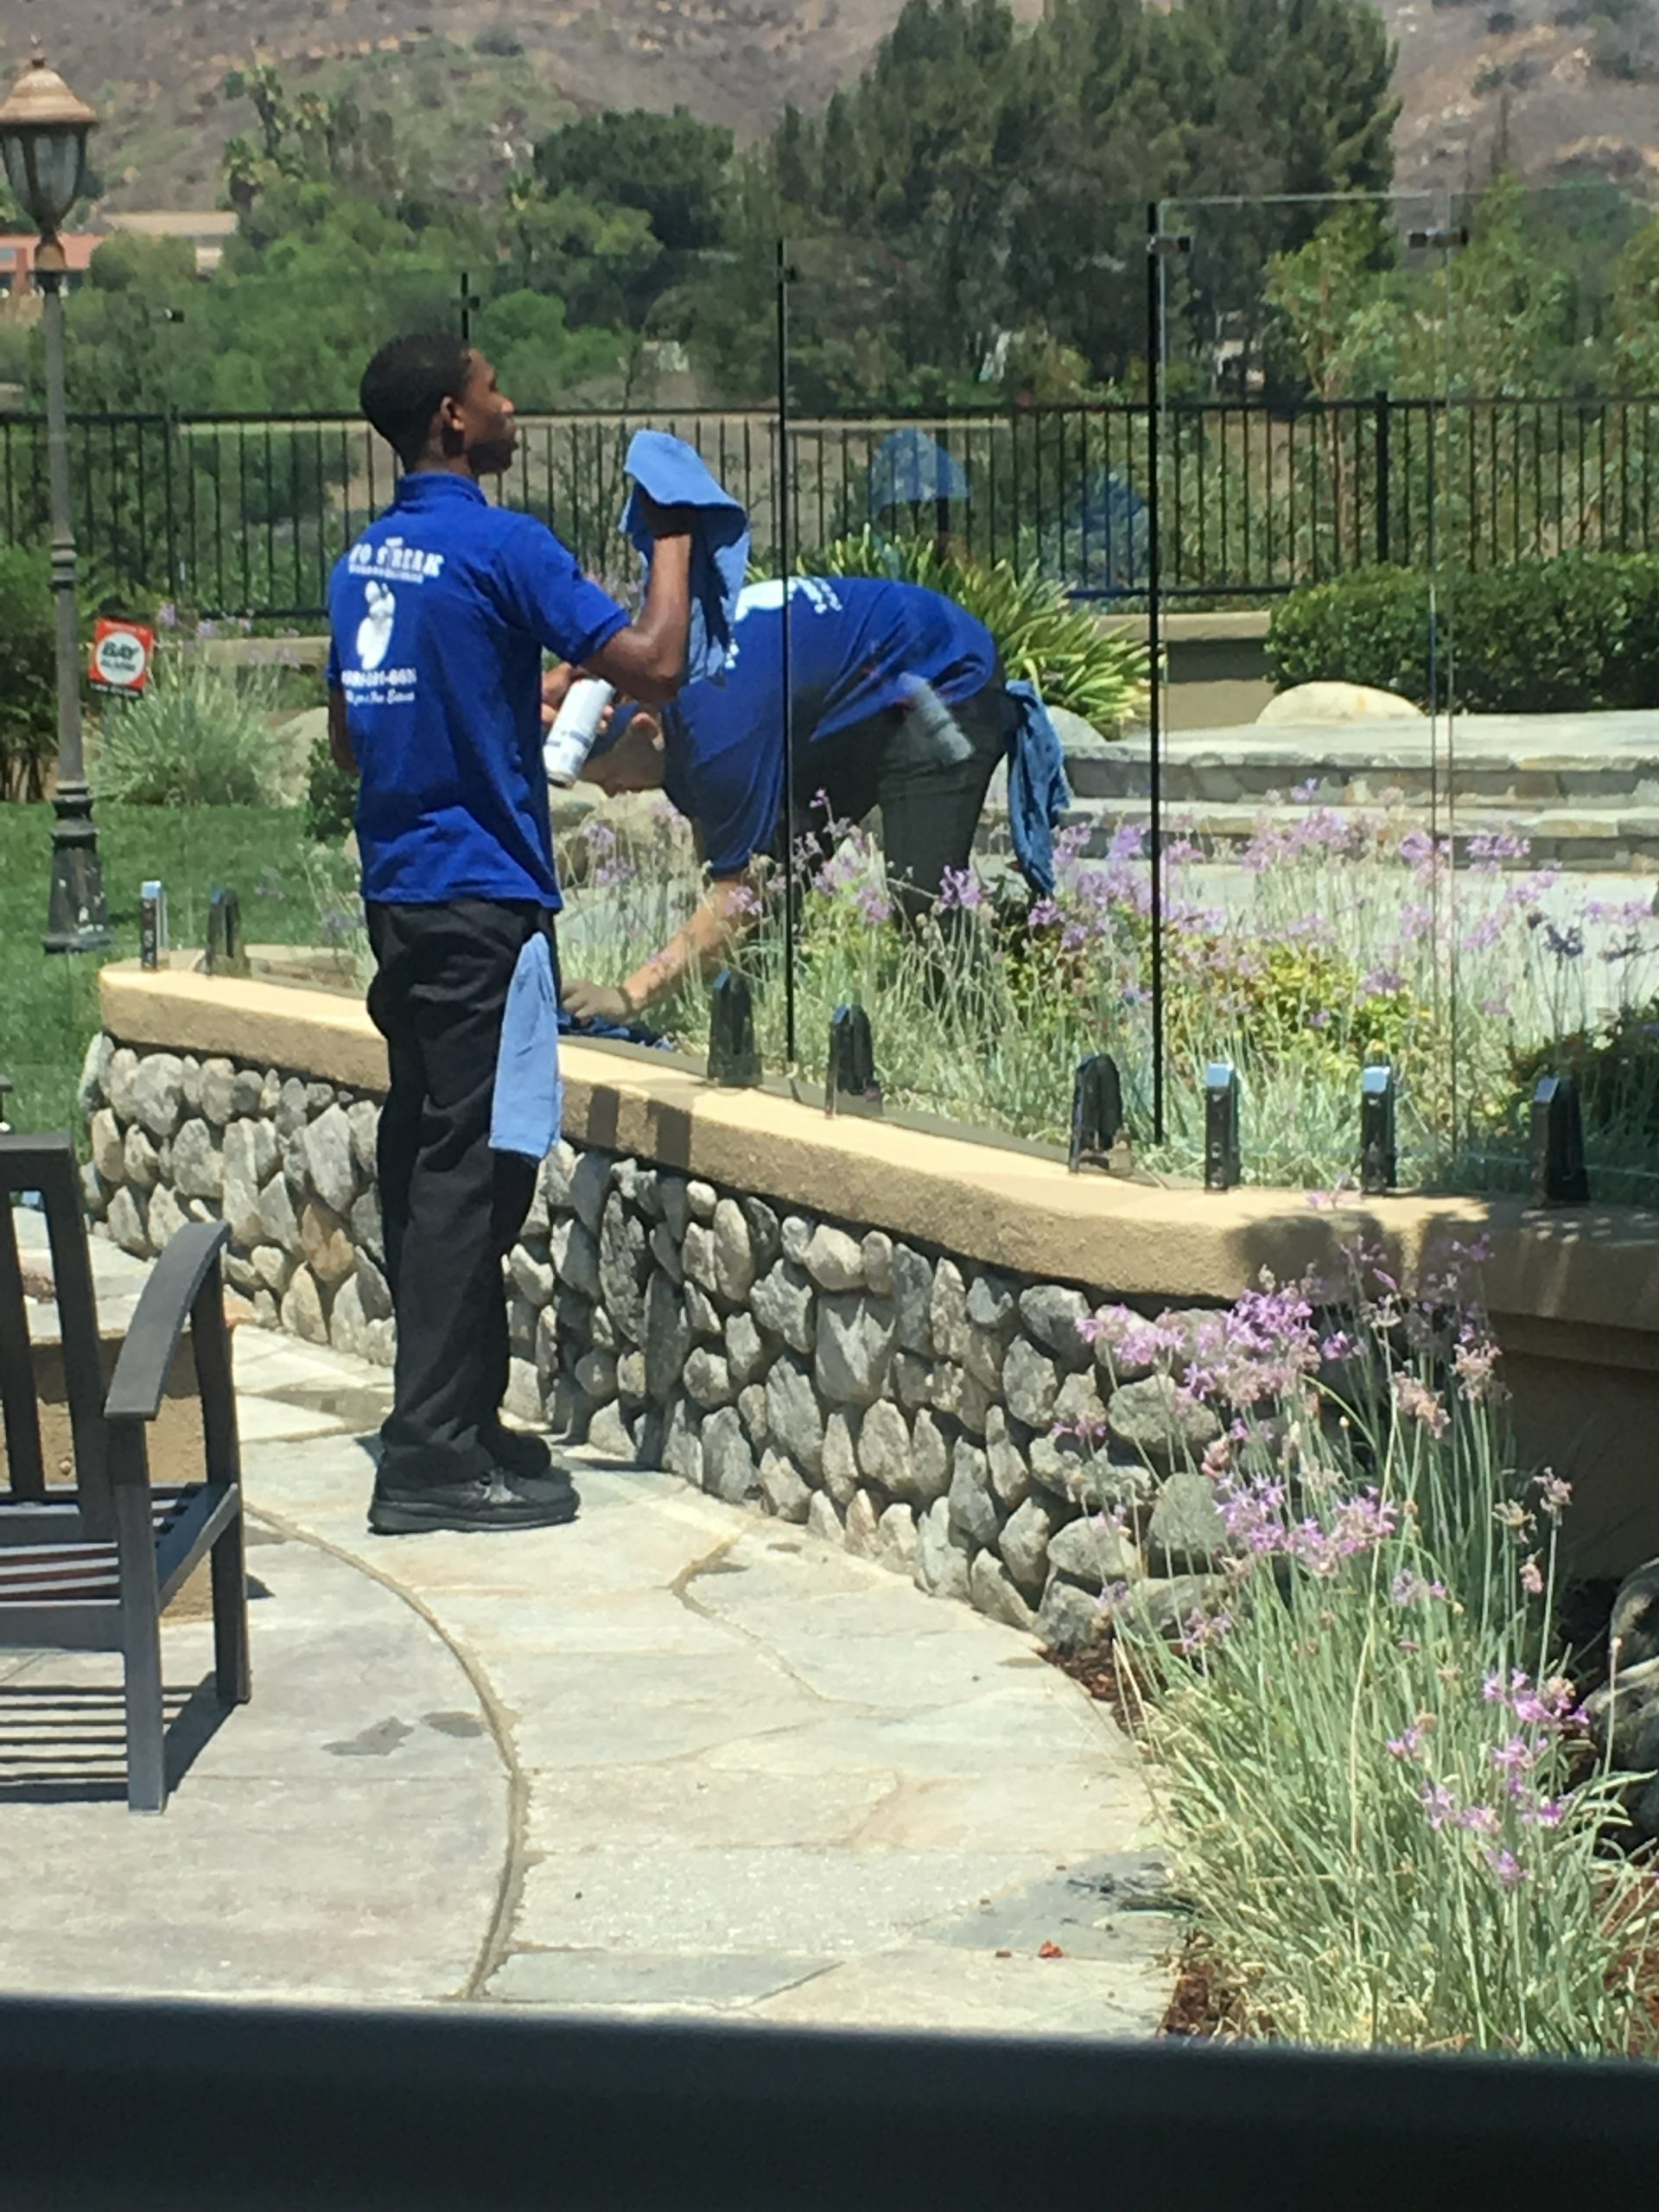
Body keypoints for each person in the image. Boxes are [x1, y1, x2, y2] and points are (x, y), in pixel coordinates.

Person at [327, 333, 695, 1536]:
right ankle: (429, 1456)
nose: (510, 400)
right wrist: (678, 528)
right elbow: (654, 661)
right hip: (481, 898)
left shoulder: (365, 561)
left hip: (406, 893)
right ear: (451, 419)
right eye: (493, 388)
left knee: (449, 1154)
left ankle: (460, 1416)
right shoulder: (501, 546)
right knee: (464, 1171)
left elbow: (347, 739)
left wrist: (462, 709)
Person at [556, 574, 1019, 1025]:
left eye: (611, 776)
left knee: (922, 894)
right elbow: (726, 859)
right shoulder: (668, 685)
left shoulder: (717, 732)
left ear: (645, 729)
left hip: (946, 673)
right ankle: (755, 1019)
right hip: (858, 689)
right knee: (778, 870)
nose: (613, 793)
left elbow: (736, 894)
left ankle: (979, 1035)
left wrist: (627, 996)